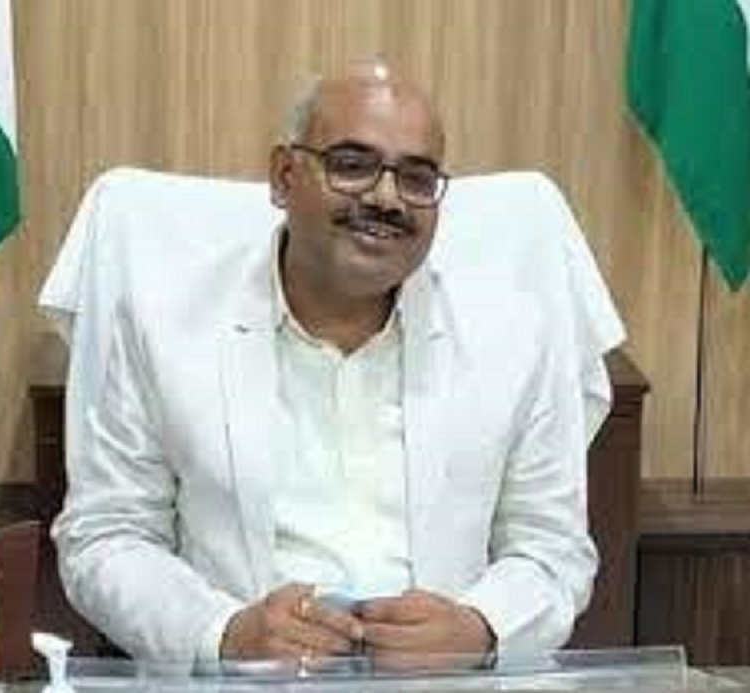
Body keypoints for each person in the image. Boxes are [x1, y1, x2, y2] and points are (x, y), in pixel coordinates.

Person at [52, 58, 599, 670]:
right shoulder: (166, 325)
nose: (387, 197)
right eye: (352, 165)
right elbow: (107, 536)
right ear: (284, 177)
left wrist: (480, 628)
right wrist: (222, 633)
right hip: (243, 685)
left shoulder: (513, 337)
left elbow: (553, 550)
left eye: (417, 178)